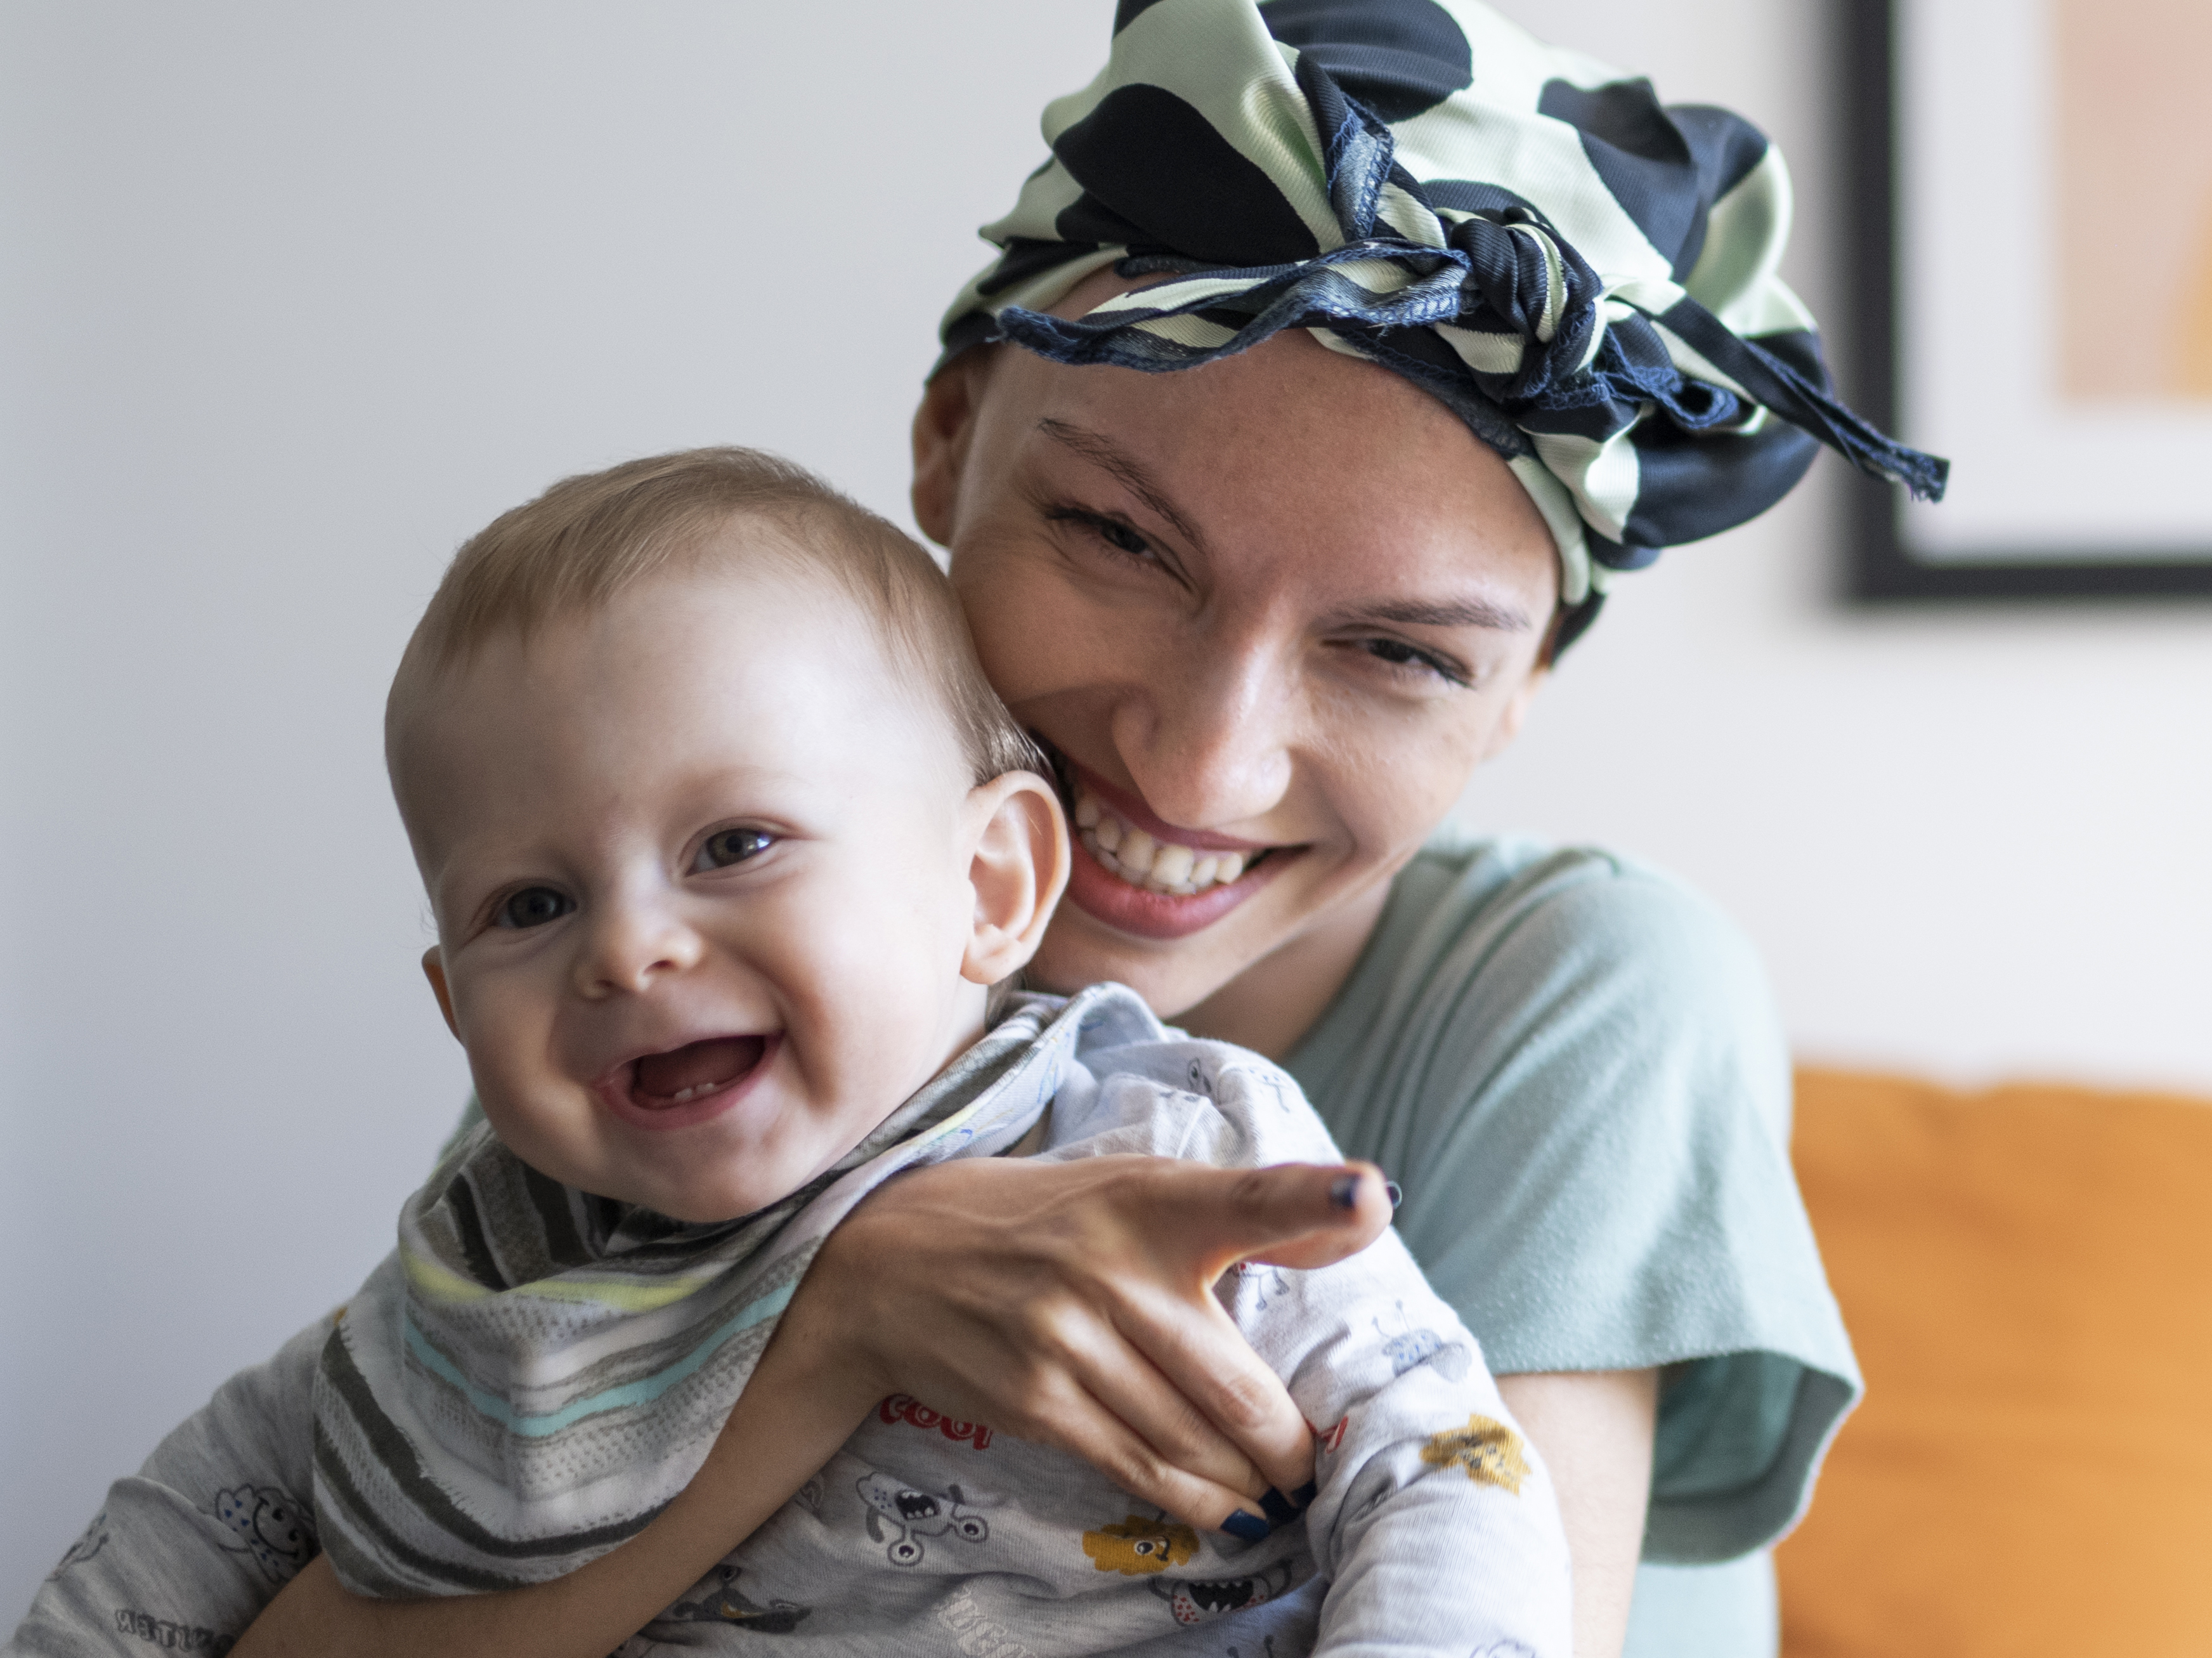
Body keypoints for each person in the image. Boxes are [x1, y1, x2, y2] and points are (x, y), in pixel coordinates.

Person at [18, 3, 1945, 1655]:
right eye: (1120, 540)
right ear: (948, 441)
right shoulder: (676, 957)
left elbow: (1477, 1554)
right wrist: (843, 1313)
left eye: (1399, 653)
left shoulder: (1581, 998)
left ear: (1521, 691)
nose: (1200, 762)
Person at [10, 448, 1571, 1658]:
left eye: (735, 842)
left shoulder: (1166, 1149)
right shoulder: (495, 1273)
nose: (624, 948)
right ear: (452, 1004)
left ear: (987, 885)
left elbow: (1448, 1471)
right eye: (530, 902)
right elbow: (183, 1532)